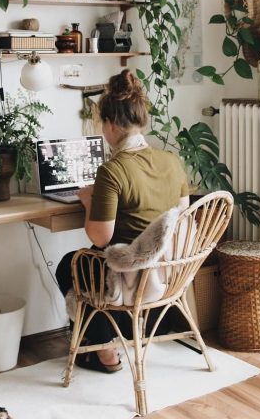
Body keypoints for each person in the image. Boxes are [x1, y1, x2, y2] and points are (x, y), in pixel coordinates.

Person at [55, 69, 189, 373]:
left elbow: (101, 238)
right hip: (167, 274)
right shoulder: (171, 161)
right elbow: (181, 217)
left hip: (131, 278)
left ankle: (106, 353)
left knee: (71, 264)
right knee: (92, 264)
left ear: (111, 124)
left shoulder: (113, 171)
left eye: (102, 123)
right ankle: (119, 337)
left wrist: (90, 201)